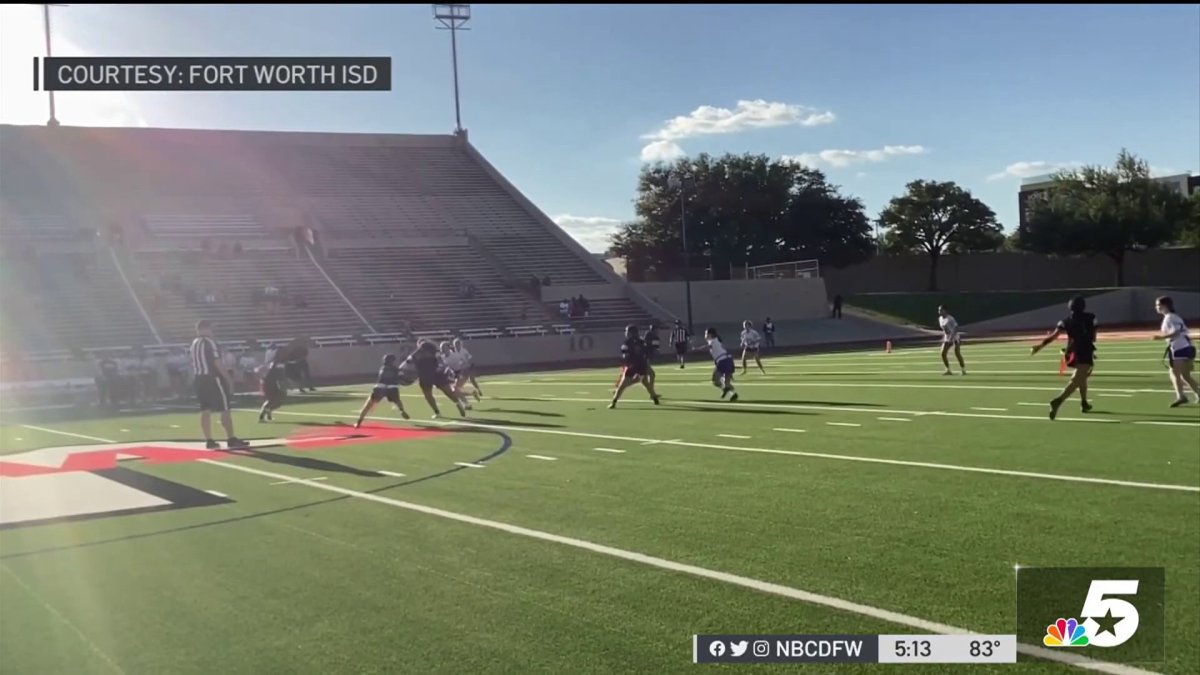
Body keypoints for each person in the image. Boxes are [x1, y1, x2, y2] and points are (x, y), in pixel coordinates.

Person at [1031, 296, 1096, 420]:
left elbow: (1054, 336)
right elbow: (1093, 338)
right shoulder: (1092, 318)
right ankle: (1058, 400)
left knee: (1081, 377)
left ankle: (1084, 402)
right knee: (1077, 379)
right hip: (1084, 351)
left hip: (1071, 352)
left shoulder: (1064, 321)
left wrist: (1039, 346)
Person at [189, 320, 248, 449]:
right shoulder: (209, 342)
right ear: (206, 328)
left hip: (199, 378)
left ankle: (209, 440)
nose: (212, 331)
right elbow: (217, 362)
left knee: (205, 409)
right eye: (210, 328)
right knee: (224, 408)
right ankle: (231, 438)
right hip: (213, 378)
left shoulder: (194, 343)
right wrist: (228, 378)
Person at [1155, 296, 1199, 407]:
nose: (1156, 307)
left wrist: (1161, 337)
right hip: (1188, 347)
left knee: (1174, 372)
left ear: (1165, 306)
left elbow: (1177, 331)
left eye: (1158, 305)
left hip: (1180, 348)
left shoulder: (1170, 317)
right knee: (1185, 375)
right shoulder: (1173, 317)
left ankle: (1181, 396)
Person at [410, 340, 467, 419]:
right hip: (424, 376)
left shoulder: (434, 352)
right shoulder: (416, 355)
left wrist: (440, 367)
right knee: (428, 395)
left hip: (436, 374)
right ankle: (437, 412)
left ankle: (457, 403)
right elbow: (410, 363)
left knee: (448, 392)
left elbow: (440, 361)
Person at [354, 354, 413, 428]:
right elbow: (401, 377)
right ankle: (401, 410)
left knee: (368, 405)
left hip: (380, 387)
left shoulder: (382, 368)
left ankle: (359, 422)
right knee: (397, 401)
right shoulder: (396, 369)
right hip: (392, 387)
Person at [609, 325, 661, 409]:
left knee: (622, 385)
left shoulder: (627, 342)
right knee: (646, 383)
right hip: (642, 364)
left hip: (632, 365)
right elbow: (647, 353)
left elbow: (624, 354)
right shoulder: (642, 341)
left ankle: (614, 402)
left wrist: (626, 361)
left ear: (630, 333)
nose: (625, 333)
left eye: (627, 331)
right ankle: (655, 398)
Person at [695, 328, 738, 401]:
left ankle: (724, 389)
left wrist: (697, 349)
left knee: (715, 380)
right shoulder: (717, 340)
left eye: (706, 334)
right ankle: (733, 393)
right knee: (726, 383)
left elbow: (707, 347)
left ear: (710, 334)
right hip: (728, 359)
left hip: (722, 360)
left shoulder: (712, 341)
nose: (705, 335)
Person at [938, 305, 967, 376]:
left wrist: (952, 337)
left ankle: (963, 370)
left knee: (957, 353)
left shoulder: (950, 318)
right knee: (943, 353)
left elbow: (956, 327)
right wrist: (945, 337)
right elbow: (945, 330)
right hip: (947, 337)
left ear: (945, 310)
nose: (939, 311)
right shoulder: (940, 319)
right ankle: (948, 370)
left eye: (941, 310)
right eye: (939, 310)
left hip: (955, 338)